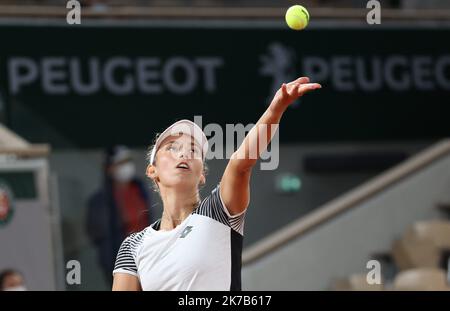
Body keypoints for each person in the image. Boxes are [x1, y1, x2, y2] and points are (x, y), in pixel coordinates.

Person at [112, 77, 321, 291]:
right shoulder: (133, 246)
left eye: (193, 150)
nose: (184, 152)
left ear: (202, 174)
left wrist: (276, 108)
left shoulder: (217, 212)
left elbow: (241, 164)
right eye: (173, 148)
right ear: (152, 171)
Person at [86, 145, 153, 286]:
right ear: (109, 168)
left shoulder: (140, 190)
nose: (126, 167)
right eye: (120, 163)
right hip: (119, 264)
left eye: (128, 161)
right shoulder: (100, 200)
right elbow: (98, 235)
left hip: (147, 258)